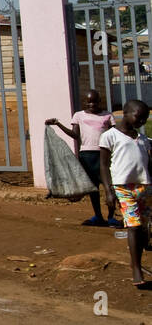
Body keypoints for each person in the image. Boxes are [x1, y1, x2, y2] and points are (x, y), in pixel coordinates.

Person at [98, 98, 152, 288]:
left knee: (144, 228)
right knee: (134, 226)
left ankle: (137, 255)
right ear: (126, 113)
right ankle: (136, 268)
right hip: (123, 188)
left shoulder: (144, 140)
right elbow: (104, 165)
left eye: (145, 118)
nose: (142, 121)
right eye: (139, 116)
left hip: (144, 188)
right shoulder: (110, 136)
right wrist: (108, 190)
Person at [46, 90, 118, 226]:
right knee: (93, 188)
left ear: (100, 101)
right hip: (86, 156)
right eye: (89, 102)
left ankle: (111, 217)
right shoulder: (78, 115)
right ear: (85, 102)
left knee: (109, 187)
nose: (92, 104)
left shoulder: (107, 115)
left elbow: (114, 134)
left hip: (103, 155)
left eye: (95, 101)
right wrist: (57, 124)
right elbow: (74, 135)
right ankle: (98, 216)